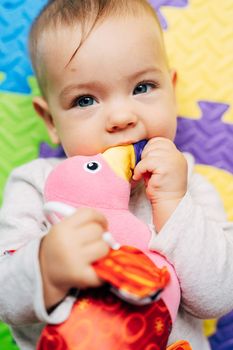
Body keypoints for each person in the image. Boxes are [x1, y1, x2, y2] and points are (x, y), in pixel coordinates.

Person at [0, 0, 233, 349]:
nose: (122, 116)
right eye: (84, 100)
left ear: (171, 90)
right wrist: (44, 267)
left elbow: (219, 296)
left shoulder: (187, 184)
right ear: (50, 121)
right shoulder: (35, 183)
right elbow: (5, 298)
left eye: (142, 87)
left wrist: (173, 204)